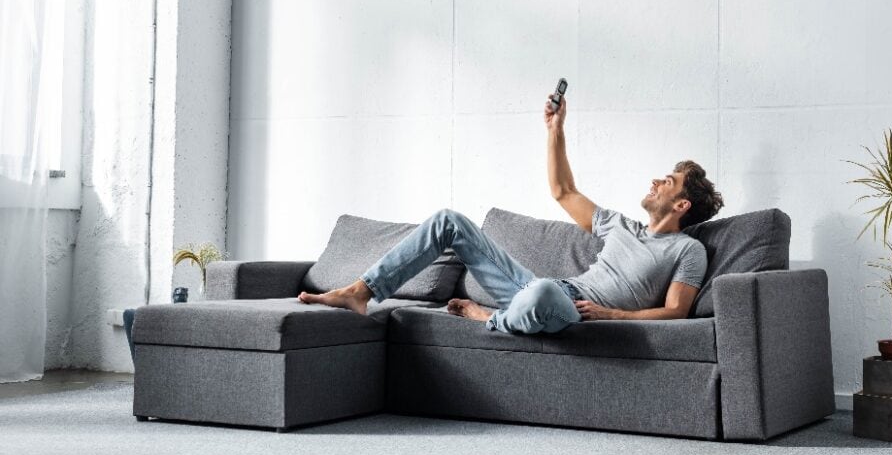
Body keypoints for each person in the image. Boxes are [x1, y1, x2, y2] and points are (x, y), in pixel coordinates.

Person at [297, 94, 724, 334]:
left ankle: (490, 318)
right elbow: (563, 190)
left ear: (682, 205)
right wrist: (555, 130)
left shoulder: (688, 250)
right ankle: (361, 290)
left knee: (541, 297)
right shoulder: (621, 225)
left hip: (570, 309)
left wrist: (615, 314)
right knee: (449, 222)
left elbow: (677, 312)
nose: (656, 181)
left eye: (668, 181)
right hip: (544, 287)